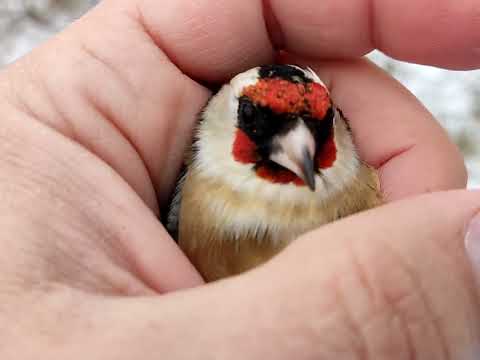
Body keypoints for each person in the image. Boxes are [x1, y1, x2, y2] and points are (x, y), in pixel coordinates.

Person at [0, 0, 479, 358]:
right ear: (221, 120)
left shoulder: (368, 187)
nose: (298, 148)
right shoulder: (182, 206)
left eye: (318, 128)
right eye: (257, 120)